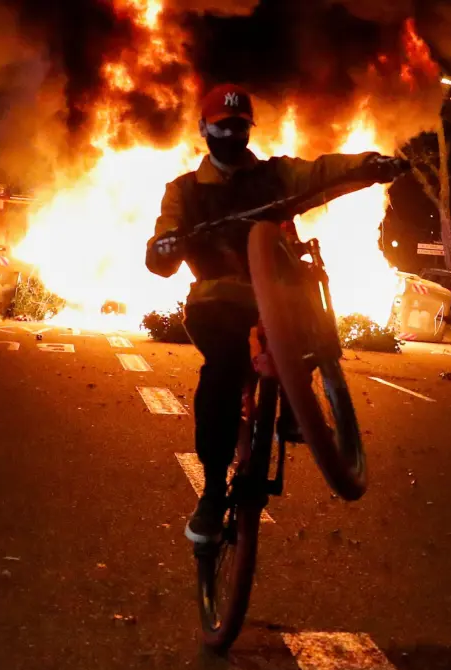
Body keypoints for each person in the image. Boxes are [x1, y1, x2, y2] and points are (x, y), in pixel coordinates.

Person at [146, 83, 407, 544]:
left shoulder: (275, 176)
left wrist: (370, 166)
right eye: (222, 127)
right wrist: (164, 247)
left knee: (306, 314)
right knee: (221, 375)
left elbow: (323, 173)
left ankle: (298, 400)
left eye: (240, 126)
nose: (231, 134)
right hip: (218, 303)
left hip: (281, 299)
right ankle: (212, 492)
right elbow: (162, 254)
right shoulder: (184, 191)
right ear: (203, 129)